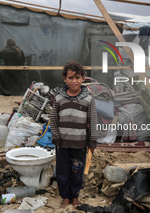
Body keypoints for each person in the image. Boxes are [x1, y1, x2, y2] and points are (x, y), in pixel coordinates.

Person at [50, 61, 97, 208]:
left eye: (77, 77)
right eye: (70, 78)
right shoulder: (58, 97)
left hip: (79, 143)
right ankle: (65, 197)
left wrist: (92, 140)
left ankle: (75, 196)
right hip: (62, 143)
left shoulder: (88, 98)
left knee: (77, 171)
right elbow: (53, 119)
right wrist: (56, 137)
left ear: (83, 78)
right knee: (62, 171)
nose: (74, 81)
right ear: (65, 79)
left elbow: (93, 120)